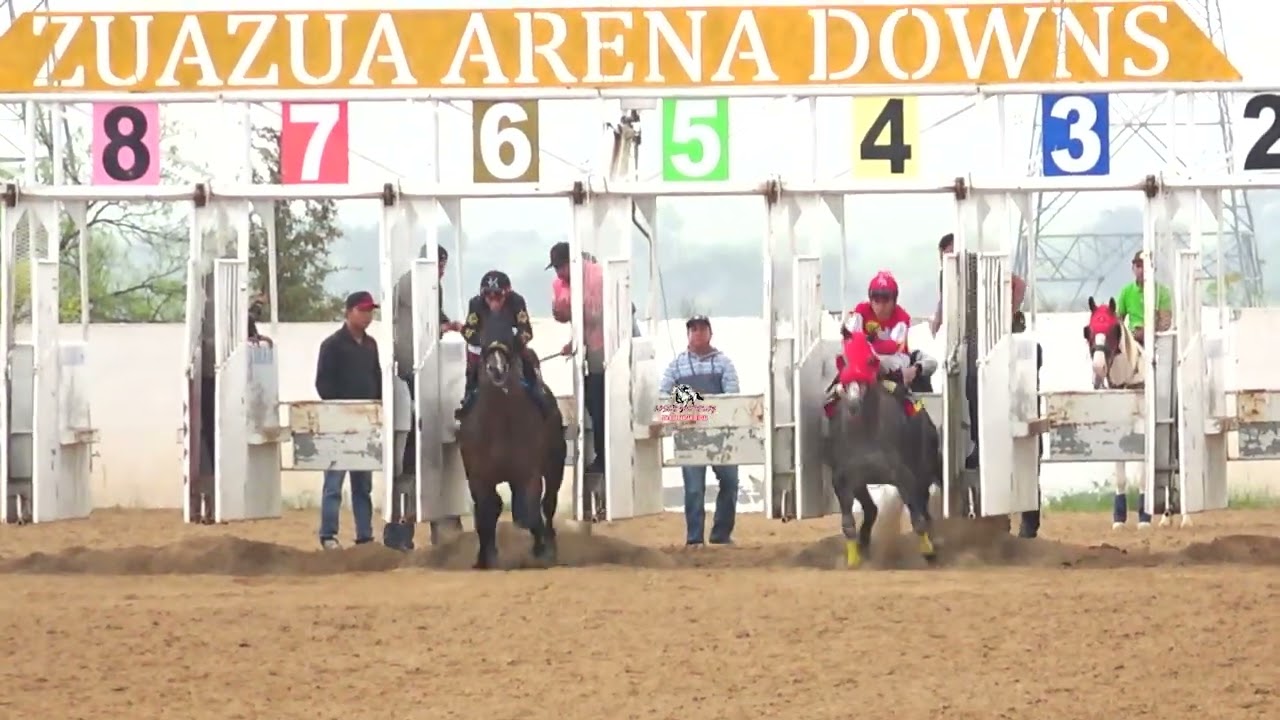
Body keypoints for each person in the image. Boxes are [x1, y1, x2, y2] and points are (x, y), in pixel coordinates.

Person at [931, 233, 1026, 469]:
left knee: (979, 383)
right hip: (969, 335)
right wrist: (939, 318)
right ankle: (976, 443)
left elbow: (1019, 284)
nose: (950, 257)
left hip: (990, 331)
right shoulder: (946, 273)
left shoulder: (976, 264)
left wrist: (1007, 314)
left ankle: (988, 442)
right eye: (946, 253)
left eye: (952, 251)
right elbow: (945, 299)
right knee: (968, 387)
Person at [391, 244, 463, 547]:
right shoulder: (414, 283)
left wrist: (448, 324)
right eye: (440, 265)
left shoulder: (425, 284)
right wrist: (446, 325)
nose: (442, 271)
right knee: (414, 454)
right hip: (413, 366)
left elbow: (435, 318)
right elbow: (428, 319)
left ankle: (419, 530)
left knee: (428, 453)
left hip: (423, 366)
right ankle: (404, 530)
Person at [658, 315, 742, 546]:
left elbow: (732, 395)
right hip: (690, 434)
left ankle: (721, 534)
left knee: (730, 482)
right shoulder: (676, 365)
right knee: (694, 488)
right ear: (688, 334)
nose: (698, 333)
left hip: (720, 433)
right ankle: (694, 538)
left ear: (710, 333)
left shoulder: (724, 362)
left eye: (702, 329)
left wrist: (694, 404)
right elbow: (663, 395)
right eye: (693, 329)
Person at [314, 291, 383, 550]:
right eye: (363, 310)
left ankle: (364, 535)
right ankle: (328, 535)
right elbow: (323, 384)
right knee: (334, 482)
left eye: (370, 311)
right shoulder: (331, 345)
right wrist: (342, 409)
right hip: (338, 422)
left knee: (362, 484)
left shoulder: (370, 345)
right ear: (349, 311)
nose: (368, 316)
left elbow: (376, 379)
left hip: (365, 422)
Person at [547, 241, 607, 475]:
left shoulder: (598, 276)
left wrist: (571, 311)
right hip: (590, 346)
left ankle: (603, 457)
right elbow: (569, 317)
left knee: (602, 403)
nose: (559, 273)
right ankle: (600, 456)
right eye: (556, 268)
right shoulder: (563, 283)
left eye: (561, 267)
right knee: (593, 403)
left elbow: (598, 314)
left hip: (609, 344)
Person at [456, 270, 545, 418]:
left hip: (511, 346)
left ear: (507, 293)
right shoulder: (476, 304)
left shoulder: (517, 301)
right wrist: (484, 342)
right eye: (488, 296)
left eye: (498, 296)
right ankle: (468, 400)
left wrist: (514, 343)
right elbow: (469, 331)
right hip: (485, 348)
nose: (493, 301)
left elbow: (526, 330)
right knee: (472, 369)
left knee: (527, 359)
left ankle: (538, 397)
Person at [843, 271, 933, 400]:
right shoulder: (861, 310)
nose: (880, 306)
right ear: (870, 299)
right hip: (866, 358)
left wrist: (867, 344)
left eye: (885, 300)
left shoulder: (902, 317)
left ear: (894, 300)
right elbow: (850, 337)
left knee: (881, 361)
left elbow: (892, 347)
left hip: (895, 359)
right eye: (876, 300)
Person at [1115, 251, 1173, 345]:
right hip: (1133, 342)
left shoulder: (1162, 292)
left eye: (1146, 266)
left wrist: (1148, 331)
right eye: (1138, 266)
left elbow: (1165, 322)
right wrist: (1130, 334)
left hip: (1157, 342)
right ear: (1133, 268)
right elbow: (1118, 319)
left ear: (1153, 269)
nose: (1142, 270)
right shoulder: (1126, 291)